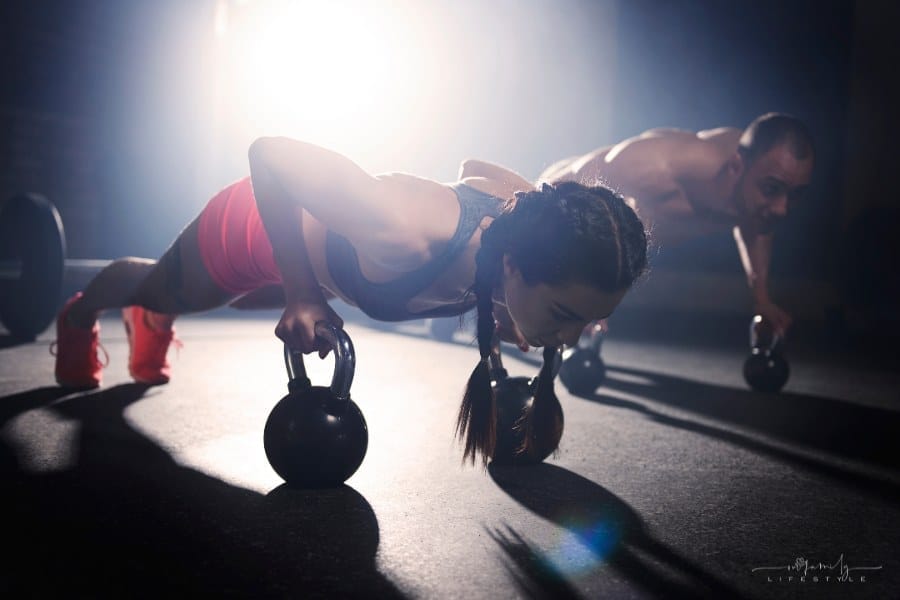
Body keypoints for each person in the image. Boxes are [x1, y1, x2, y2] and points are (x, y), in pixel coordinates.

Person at [52, 136, 649, 464]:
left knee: (229, 305)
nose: (569, 340)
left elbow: (476, 166)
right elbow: (270, 154)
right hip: (259, 227)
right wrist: (301, 292)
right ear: (518, 265)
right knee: (162, 286)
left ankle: (155, 316)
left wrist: (530, 311)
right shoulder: (405, 230)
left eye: (589, 321)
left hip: (323, 265)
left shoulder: (518, 232)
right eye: (566, 317)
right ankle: (84, 314)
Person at [461, 113, 815, 336]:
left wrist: (762, 299)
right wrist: (580, 289)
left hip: (615, 219)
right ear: (737, 167)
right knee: (483, 274)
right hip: (555, 191)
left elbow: (758, 224)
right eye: (772, 190)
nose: (782, 209)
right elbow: (571, 207)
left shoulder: (757, 188)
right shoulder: (659, 165)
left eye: (793, 195)